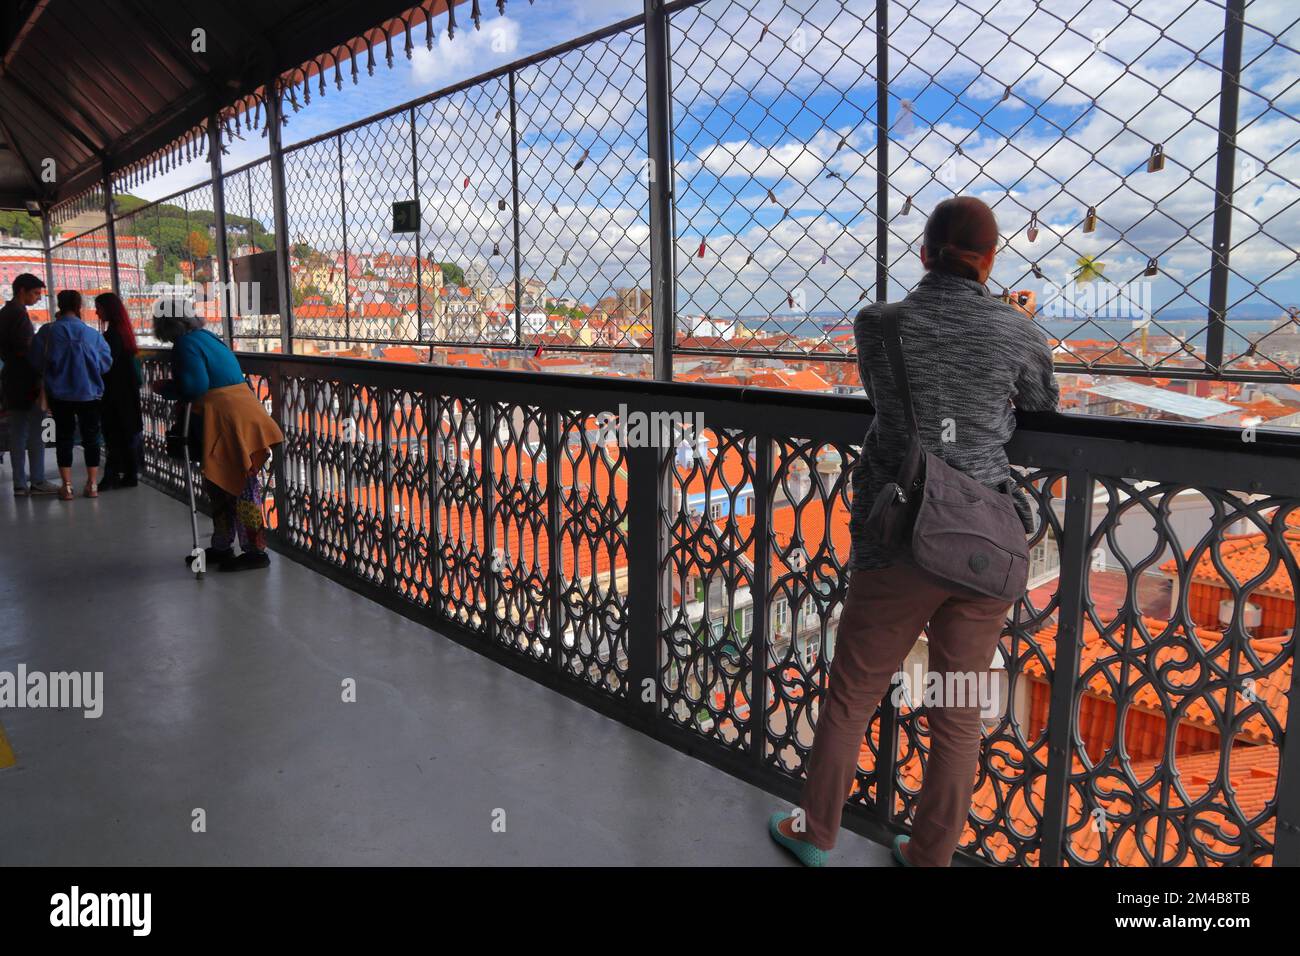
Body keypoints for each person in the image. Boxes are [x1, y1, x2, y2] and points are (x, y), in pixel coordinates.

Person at [768, 197, 1060, 867]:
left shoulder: (879, 324)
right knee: (959, 711)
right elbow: (1042, 405)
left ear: (923, 254)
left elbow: (882, 398)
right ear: (990, 260)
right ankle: (929, 854)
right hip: (984, 539)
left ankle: (817, 834)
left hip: (899, 529)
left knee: (854, 691)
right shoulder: (1017, 330)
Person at [150, 298, 283, 572]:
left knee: (239, 486)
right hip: (239, 416)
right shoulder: (207, 337)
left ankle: (255, 550)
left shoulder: (185, 345)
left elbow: (195, 386)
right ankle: (224, 545)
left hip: (226, 421)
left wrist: (166, 388)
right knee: (222, 484)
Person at [29, 289, 112, 500]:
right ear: (79, 306)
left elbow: (36, 361)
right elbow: (105, 363)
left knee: (64, 437)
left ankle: (66, 487)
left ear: (59, 305)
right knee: (91, 438)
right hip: (89, 393)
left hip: (60, 395)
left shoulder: (47, 333)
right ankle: (92, 484)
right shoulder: (92, 334)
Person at [0, 273, 60, 496]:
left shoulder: (4, 313)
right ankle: (37, 480)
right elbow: (28, 350)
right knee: (36, 431)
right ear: (22, 291)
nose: (37, 298)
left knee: (17, 433)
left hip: (11, 379)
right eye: (35, 293)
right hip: (27, 381)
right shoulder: (19, 315)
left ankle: (19, 484)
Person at [93, 292, 144, 489]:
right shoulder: (123, 333)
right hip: (127, 390)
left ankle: (112, 474)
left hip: (114, 392)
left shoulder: (110, 336)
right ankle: (129, 473)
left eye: (99, 308)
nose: (97, 312)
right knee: (127, 431)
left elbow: (105, 364)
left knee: (113, 433)